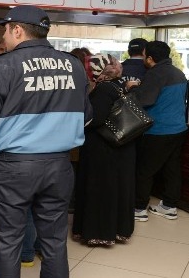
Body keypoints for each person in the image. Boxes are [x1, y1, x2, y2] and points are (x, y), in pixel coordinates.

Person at [0, 5, 92, 278]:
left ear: (17, 30)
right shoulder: (74, 66)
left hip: (12, 168)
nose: (3, 36)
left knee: (7, 243)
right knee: (55, 243)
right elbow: (86, 118)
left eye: (5, 29)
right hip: (60, 165)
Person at [72, 54, 136, 246]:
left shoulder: (103, 89)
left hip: (103, 150)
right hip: (119, 148)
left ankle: (99, 232)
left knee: (99, 190)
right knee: (115, 190)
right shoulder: (118, 86)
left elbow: (96, 119)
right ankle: (116, 230)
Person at [129, 41, 188, 222]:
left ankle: (139, 208)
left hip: (158, 130)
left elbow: (145, 100)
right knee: (172, 169)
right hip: (179, 129)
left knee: (145, 170)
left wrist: (132, 88)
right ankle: (169, 206)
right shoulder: (179, 73)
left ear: (150, 59)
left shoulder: (155, 74)